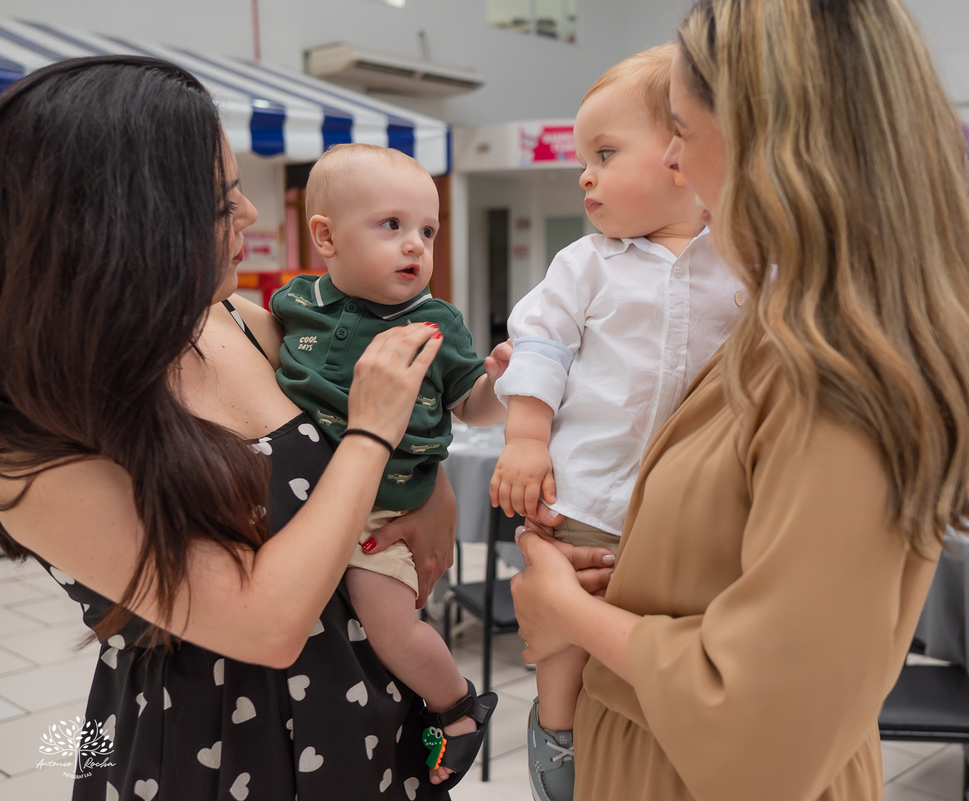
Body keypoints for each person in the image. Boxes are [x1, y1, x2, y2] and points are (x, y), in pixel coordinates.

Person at [0, 56, 580, 800]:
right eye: (221, 202)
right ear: (124, 223)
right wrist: (372, 437)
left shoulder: (238, 320)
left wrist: (427, 484)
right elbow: (266, 622)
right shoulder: (34, 440)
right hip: (208, 748)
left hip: (362, 708)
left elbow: (353, 426)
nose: (249, 214)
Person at [508, 0, 969, 799]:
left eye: (682, 129)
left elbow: (766, 724)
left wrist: (565, 612)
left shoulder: (837, 375)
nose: (671, 159)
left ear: (770, 139)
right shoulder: (780, 325)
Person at [486, 43, 743, 801]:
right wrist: (526, 439)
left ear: (682, 154)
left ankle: (658, 736)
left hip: (691, 510)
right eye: (582, 160)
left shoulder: (740, 265)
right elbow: (540, 345)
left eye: (604, 153)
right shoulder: (586, 263)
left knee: (659, 633)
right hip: (590, 493)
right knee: (565, 621)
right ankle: (556, 729)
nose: (585, 176)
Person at [271, 143, 504, 785]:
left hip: (384, 511)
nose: (415, 246)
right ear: (326, 237)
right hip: (309, 507)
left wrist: (502, 383)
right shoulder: (294, 304)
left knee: (389, 626)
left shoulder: (435, 323)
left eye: (428, 230)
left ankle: (458, 707)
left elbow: (472, 407)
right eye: (392, 225)